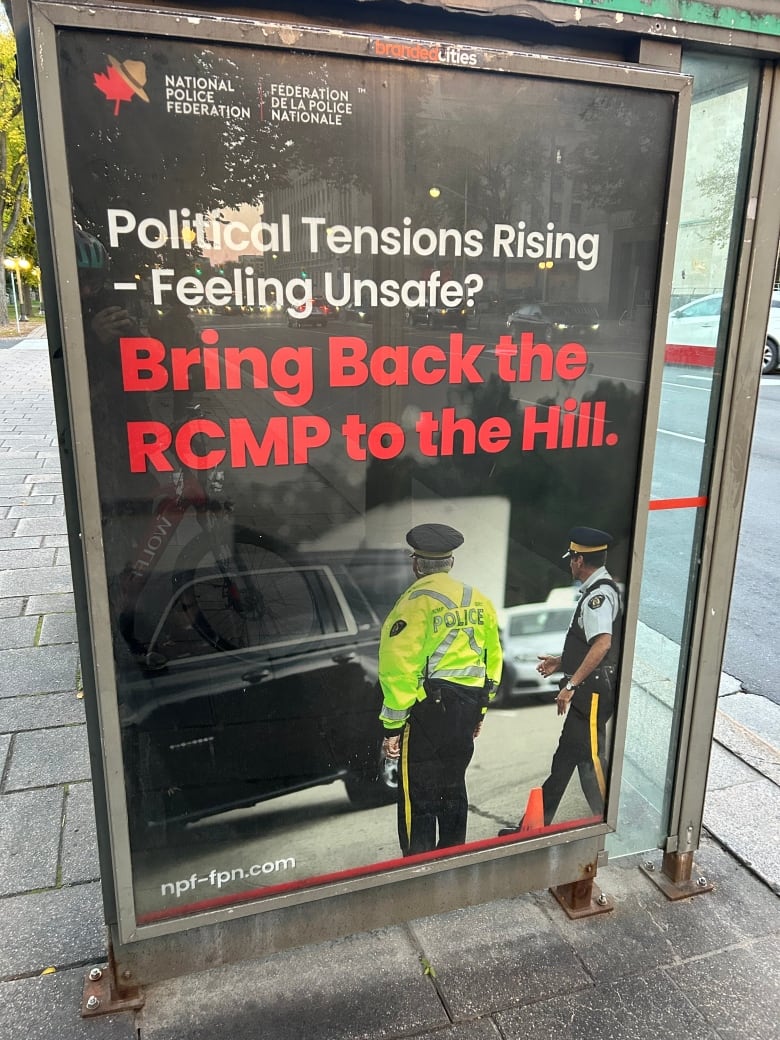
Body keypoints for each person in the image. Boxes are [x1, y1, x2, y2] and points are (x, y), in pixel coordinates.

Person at [378, 523, 503, 856]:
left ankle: (417, 870)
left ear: (416, 564)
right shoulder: (478, 600)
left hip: (427, 714)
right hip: (465, 708)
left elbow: (397, 669)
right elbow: (492, 660)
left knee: (418, 796)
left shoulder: (413, 603)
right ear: (451, 563)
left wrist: (392, 727)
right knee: (453, 788)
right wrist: (481, 710)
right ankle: (451, 863)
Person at [499, 526, 622, 835]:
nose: (570, 564)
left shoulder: (599, 596)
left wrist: (570, 685)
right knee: (565, 759)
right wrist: (561, 661)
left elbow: (602, 644)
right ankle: (534, 826)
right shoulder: (595, 592)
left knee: (592, 759)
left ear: (580, 560)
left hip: (591, 690)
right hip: (587, 687)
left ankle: (608, 822)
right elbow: (587, 643)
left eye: (572, 559)